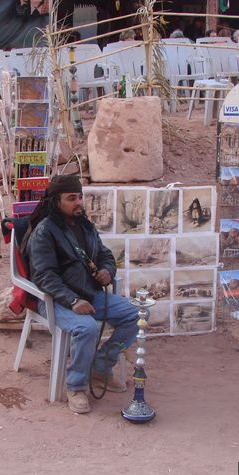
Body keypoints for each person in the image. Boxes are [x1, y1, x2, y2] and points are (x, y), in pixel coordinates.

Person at [25, 175, 139, 414]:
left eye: (79, 197)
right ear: (56, 201)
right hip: (55, 299)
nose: (78, 203)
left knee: (135, 314)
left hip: (89, 293)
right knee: (86, 328)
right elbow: (44, 276)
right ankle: (76, 387)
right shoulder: (44, 232)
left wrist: (107, 271)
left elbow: (105, 255)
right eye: (71, 198)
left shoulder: (85, 225)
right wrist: (73, 300)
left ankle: (99, 365)